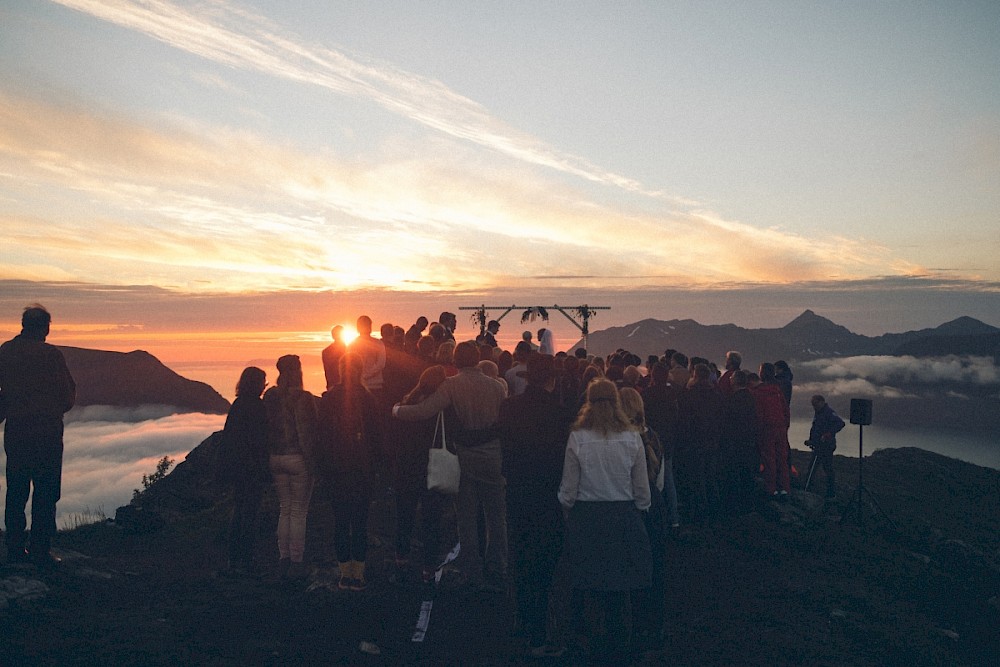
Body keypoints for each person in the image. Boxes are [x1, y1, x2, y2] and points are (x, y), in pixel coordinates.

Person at [393, 341, 508, 591]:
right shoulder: (497, 387)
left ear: (456, 359)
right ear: (477, 359)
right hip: (492, 454)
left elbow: (424, 411)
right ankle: (498, 566)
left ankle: (471, 570)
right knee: (496, 514)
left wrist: (397, 411)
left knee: (466, 516)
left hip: (465, 455)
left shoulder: (451, 385)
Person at [558, 379, 651, 664]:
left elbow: (568, 490)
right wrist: (640, 510)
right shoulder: (632, 438)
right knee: (619, 588)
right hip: (622, 517)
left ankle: (590, 645)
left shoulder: (577, 437)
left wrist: (567, 510)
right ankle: (618, 646)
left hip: (587, 517)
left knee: (588, 584)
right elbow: (642, 491)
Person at [497, 354, 574, 658]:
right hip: (549, 495)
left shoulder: (509, 407)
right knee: (546, 564)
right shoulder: (561, 413)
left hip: (518, 492)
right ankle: (540, 632)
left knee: (521, 556)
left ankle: (523, 620)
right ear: (552, 380)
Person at [1, 305, 76, 567]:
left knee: (16, 490)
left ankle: (13, 549)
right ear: (45, 327)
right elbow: (67, 395)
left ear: (23, 325)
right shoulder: (51, 355)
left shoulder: (6, 352)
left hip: (17, 431)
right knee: (45, 492)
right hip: (46, 432)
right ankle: (40, 550)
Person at [317, 354, 382, 591]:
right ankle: (359, 573)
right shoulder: (368, 399)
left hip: (336, 470)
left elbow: (321, 437)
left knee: (341, 521)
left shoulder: (328, 399)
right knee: (360, 521)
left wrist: (323, 468)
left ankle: (345, 573)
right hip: (362, 469)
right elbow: (376, 439)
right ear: (360, 370)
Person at [618, 388, 668, 660]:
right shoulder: (653, 437)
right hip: (654, 508)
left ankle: (629, 629)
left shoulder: (617, 440)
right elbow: (659, 479)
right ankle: (653, 629)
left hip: (628, 506)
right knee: (654, 570)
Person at [392, 365, 449, 583]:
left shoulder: (405, 403)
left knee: (404, 516)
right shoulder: (442, 408)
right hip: (432, 465)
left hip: (406, 466)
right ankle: (428, 569)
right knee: (432, 520)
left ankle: (401, 561)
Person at [263, 354, 318, 579]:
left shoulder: (270, 396)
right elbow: (306, 434)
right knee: (298, 512)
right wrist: (313, 463)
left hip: (275, 458)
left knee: (284, 508)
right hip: (297, 459)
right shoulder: (303, 398)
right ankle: (296, 561)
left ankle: (283, 557)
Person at [219, 367, 269, 575]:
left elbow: (228, 437)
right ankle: (246, 560)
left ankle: (234, 559)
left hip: (237, 467)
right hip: (252, 468)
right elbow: (260, 440)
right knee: (249, 513)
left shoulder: (238, 405)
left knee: (239, 511)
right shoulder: (257, 407)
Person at [754, 363, 791, 501]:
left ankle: (772, 488)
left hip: (767, 429)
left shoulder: (759, 392)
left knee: (769, 459)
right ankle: (785, 488)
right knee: (782, 458)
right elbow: (786, 410)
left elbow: (759, 414)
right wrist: (785, 425)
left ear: (763, 373)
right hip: (780, 428)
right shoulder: (777, 390)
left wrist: (759, 430)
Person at [806, 395, 845, 498]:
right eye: (813, 405)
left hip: (826, 446)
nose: (814, 407)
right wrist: (811, 440)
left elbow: (840, 423)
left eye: (815, 404)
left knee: (827, 468)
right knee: (813, 467)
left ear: (821, 402)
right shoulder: (818, 413)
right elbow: (815, 428)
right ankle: (808, 487)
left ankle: (831, 492)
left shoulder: (828, 412)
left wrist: (829, 434)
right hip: (818, 445)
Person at [321, 325, 348, 391]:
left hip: (332, 386)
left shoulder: (326, 351)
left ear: (333, 336)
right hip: (347, 387)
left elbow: (327, 372)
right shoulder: (349, 350)